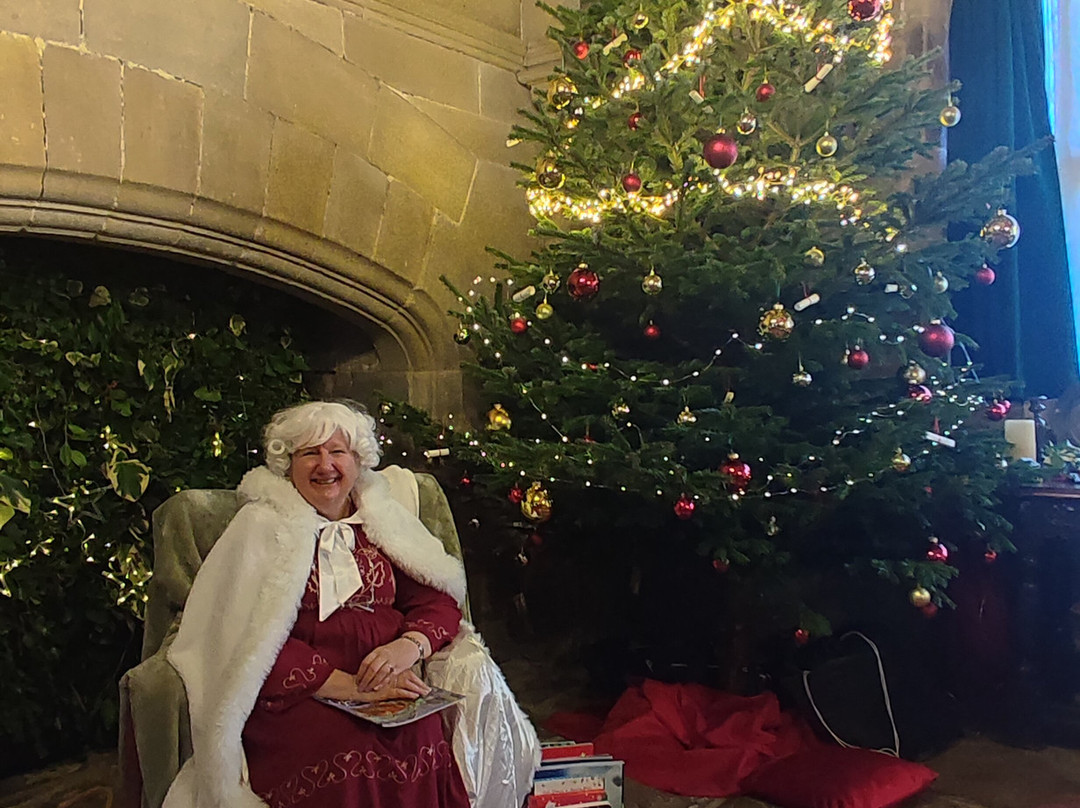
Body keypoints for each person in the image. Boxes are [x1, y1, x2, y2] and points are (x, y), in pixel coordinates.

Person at [161, 400, 538, 808]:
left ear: (358, 460)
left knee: (421, 735)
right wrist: (344, 684)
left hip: (388, 683)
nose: (325, 465)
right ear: (288, 464)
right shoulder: (260, 527)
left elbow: (438, 598)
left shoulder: (383, 522)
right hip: (298, 697)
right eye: (310, 453)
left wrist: (408, 646)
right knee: (350, 754)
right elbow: (242, 635)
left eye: (337, 451)